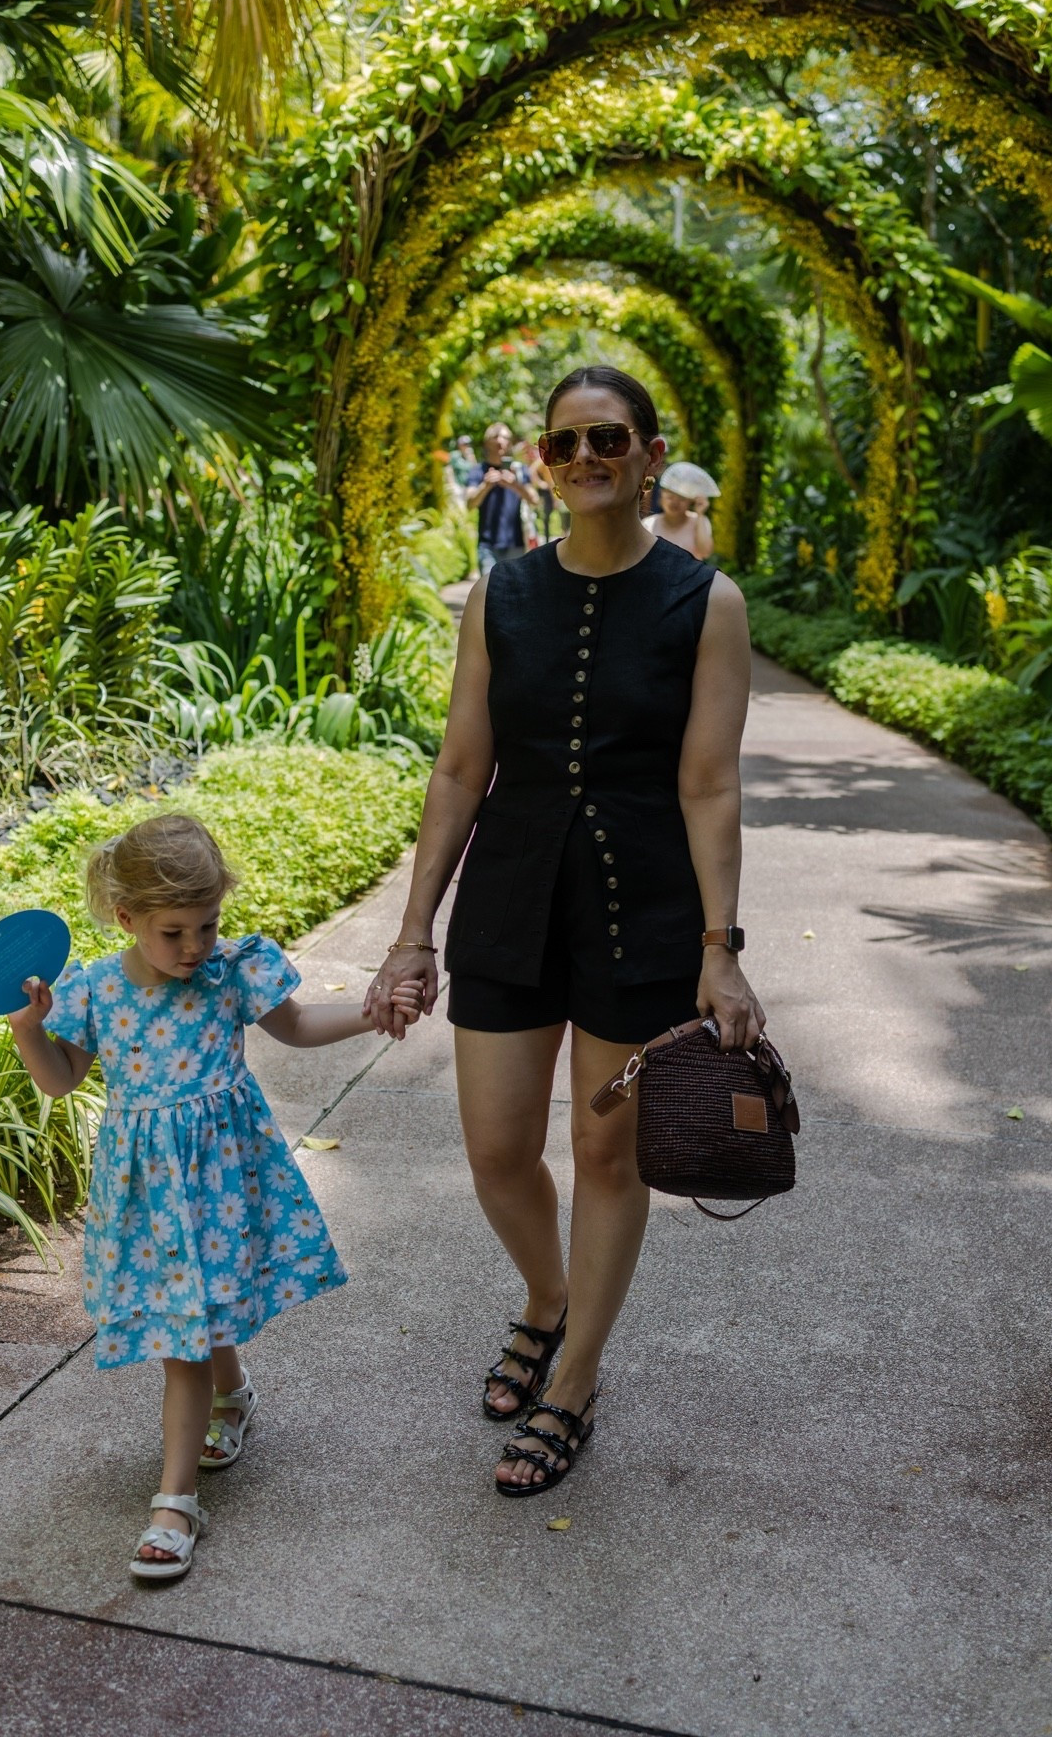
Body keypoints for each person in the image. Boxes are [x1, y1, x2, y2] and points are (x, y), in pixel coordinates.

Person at [365, 366, 763, 1499]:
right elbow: (458, 766)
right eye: (561, 444)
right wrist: (410, 933)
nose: (583, 458)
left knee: (602, 1153)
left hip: (644, 906)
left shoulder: (705, 602)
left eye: (605, 438)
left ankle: (576, 1375)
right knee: (496, 1149)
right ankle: (548, 1297)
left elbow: (708, 787)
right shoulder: (503, 593)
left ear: (645, 452)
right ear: (541, 462)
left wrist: (719, 946)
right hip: (508, 894)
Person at [6, 813, 425, 1583]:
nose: (194, 947)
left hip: (225, 1179)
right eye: (174, 933)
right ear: (127, 918)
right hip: (150, 1194)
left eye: (208, 925)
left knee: (187, 1336)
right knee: (190, 1326)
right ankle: (231, 1400)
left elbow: (294, 1025)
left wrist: (371, 1014)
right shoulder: (96, 990)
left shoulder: (231, 970)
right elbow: (61, 1078)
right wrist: (29, 1031)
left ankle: (174, 1503)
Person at [465, 420, 539, 574]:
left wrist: (515, 485)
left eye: (505, 437)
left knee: (514, 595)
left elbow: (534, 499)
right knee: (490, 594)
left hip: (516, 545)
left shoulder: (519, 470)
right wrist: (485, 485)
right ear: (487, 443)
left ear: (510, 443)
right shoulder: (478, 471)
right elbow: (470, 503)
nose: (500, 441)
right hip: (487, 546)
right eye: (496, 436)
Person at [644, 459, 720, 560]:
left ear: (690, 501)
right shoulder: (649, 524)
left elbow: (705, 552)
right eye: (670, 497)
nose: (675, 503)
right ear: (661, 496)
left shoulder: (698, 522)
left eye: (682, 499)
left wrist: (700, 515)